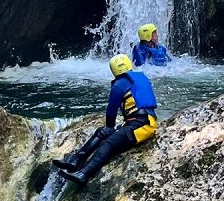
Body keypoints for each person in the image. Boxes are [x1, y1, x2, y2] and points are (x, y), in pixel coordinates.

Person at [52, 54, 158, 186]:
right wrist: (108, 129)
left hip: (142, 126)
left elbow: (111, 110)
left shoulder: (118, 85)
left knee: (109, 143)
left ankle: (83, 174)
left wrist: (109, 127)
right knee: (102, 132)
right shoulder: (140, 78)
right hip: (143, 122)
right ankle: (76, 160)